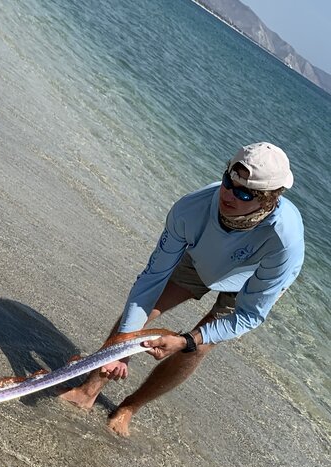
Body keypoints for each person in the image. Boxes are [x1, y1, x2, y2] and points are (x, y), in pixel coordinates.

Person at [60, 142, 304, 436]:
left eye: (244, 193)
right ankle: (88, 390)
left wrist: (187, 340)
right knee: (143, 311)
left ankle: (129, 406)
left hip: (252, 281)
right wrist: (120, 349)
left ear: (268, 201)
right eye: (229, 181)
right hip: (204, 255)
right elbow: (151, 279)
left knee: (199, 345)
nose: (228, 194)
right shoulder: (191, 209)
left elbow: (249, 316)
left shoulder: (285, 243)